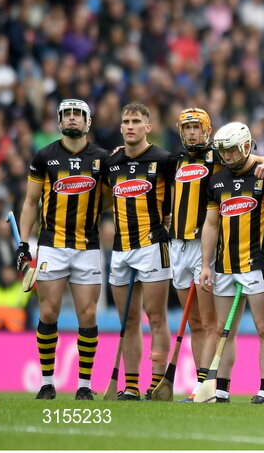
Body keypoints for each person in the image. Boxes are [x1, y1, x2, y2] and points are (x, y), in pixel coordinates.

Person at [17, 99, 108, 400]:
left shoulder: (101, 159)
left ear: (88, 122)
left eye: (77, 115)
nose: (72, 119)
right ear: (58, 121)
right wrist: (23, 243)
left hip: (87, 247)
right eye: (66, 115)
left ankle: (84, 385)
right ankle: (46, 382)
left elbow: (110, 199)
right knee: (48, 312)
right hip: (52, 245)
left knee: (88, 315)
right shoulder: (45, 156)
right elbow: (31, 202)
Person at [102, 103, 177, 400]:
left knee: (156, 317)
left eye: (136, 121)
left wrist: (169, 220)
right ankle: (130, 386)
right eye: (126, 121)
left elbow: (180, 197)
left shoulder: (164, 159)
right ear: (120, 127)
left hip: (153, 246)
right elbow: (105, 199)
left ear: (148, 127)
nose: (130, 125)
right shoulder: (112, 162)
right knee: (128, 321)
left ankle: (157, 384)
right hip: (120, 250)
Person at [200, 122, 264, 404]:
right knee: (225, 329)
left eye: (232, 151)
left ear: (246, 146)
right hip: (224, 266)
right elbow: (211, 225)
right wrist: (206, 265)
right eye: (223, 152)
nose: (228, 157)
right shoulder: (217, 180)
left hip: (257, 265)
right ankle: (221, 390)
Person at [169, 108, 221, 402]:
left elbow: (253, 162)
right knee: (194, 322)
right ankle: (200, 381)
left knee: (209, 320)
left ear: (207, 130)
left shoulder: (219, 158)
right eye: (186, 128)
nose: (191, 133)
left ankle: (208, 385)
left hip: (204, 245)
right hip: (177, 245)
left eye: (196, 128)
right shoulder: (173, 161)